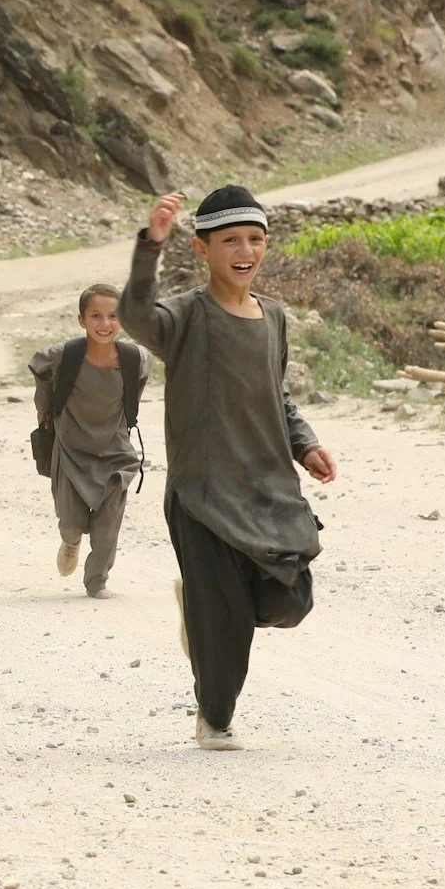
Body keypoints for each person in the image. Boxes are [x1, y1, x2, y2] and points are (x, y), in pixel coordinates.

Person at [120, 186, 336, 749]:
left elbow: (276, 393)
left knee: (291, 600)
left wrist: (305, 445)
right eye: (231, 240)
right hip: (204, 495)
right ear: (202, 249)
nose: (246, 250)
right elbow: (135, 315)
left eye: (255, 239)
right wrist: (150, 246)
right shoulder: (185, 317)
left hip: (268, 489)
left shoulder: (275, 318)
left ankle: (202, 612)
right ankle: (214, 719)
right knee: (227, 627)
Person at [28, 283, 147, 599]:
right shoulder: (64, 355)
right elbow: (40, 369)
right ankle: (70, 542)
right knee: (71, 521)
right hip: (71, 450)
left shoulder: (136, 359)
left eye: (113, 316)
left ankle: (96, 581)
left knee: (107, 528)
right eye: (96, 316)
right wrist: (43, 408)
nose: (105, 324)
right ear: (82, 320)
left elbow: (136, 389)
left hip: (116, 453)